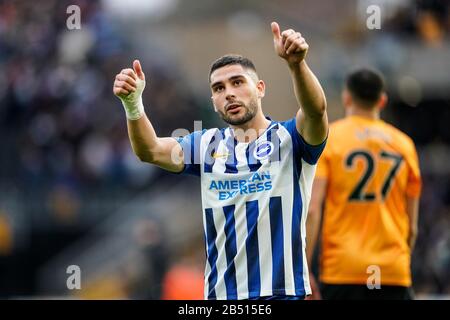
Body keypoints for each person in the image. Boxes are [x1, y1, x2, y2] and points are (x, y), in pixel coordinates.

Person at [113, 21, 328, 300]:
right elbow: (150, 150)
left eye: (238, 82)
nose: (228, 93)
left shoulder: (290, 139)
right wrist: (133, 104)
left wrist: (297, 65)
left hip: (283, 294)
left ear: (260, 88)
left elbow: (315, 110)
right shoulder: (205, 145)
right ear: (213, 101)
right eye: (218, 88)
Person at [306, 69, 422, 300]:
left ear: (346, 97)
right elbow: (412, 226)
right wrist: (400, 261)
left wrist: (305, 268)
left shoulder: (331, 139)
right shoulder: (405, 145)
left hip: (342, 270)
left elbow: (312, 211)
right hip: (392, 271)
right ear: (382, 100)